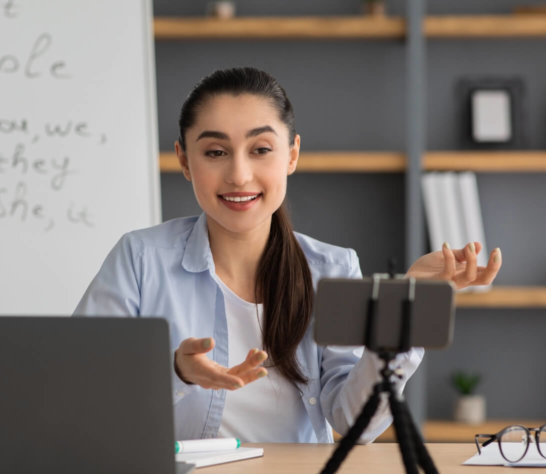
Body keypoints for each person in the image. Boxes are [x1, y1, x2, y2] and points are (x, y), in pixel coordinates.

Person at [74, 67, 501, 443]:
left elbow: (356, 424)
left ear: (291, 155)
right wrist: (174, 371)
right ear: (184, 161)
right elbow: (79, 390)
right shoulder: (140, 259)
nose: (239, 174)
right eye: (215, 152)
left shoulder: (332, 270)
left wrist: (404, 308)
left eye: (260, 149)